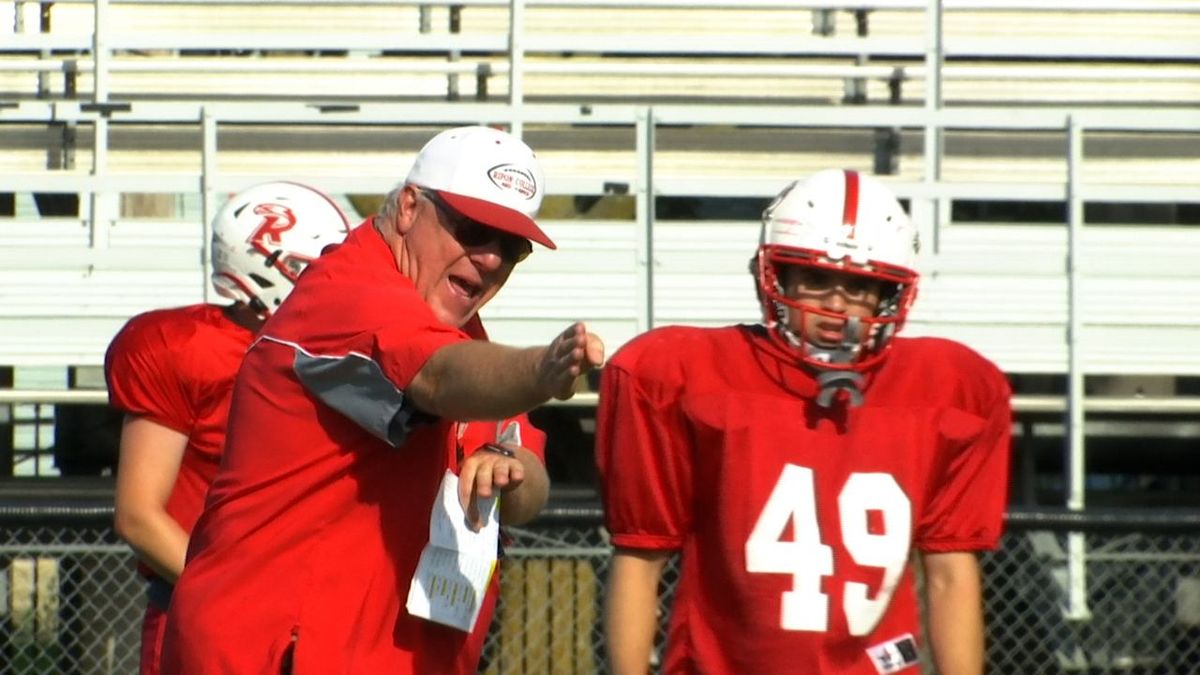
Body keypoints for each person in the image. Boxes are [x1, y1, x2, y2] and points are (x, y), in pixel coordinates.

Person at [161, 125, 605, 674]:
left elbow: (528, 491)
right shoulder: (348, 289)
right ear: (409, 208)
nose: (490, 259)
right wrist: (542, 367)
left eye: (511, 247)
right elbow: (439, 380)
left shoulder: (465, 333)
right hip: (278, 648)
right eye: (472, 230)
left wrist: (511, 469)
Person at [596, 169, 1011, 674]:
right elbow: (641, 557)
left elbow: (950, 574)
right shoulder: (685, 374)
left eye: (858, 286)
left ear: (890, 295)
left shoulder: (950, 391)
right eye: (816, 279)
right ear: (774, 276)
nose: (836, 306)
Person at [105, 181, 352, 675]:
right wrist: (240, 598)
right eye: (313, 265)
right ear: (264, 265)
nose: (334, 278)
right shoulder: (189, 348)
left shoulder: (344, 347)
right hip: (211, 620)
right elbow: (139, 515)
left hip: (318, 624)